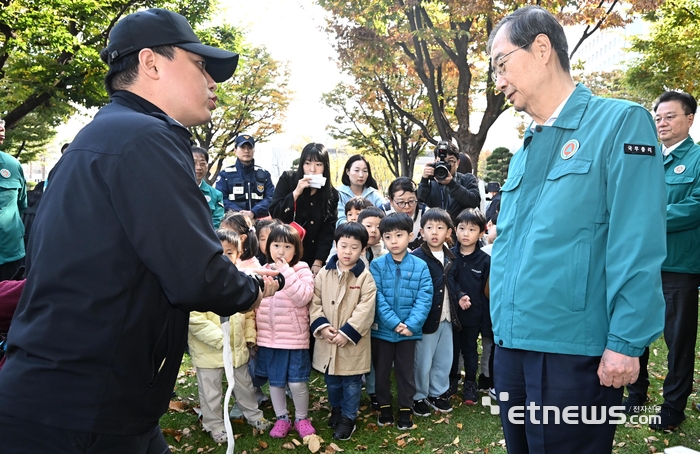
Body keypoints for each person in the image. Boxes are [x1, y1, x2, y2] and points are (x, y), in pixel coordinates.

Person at [0, 9, 280, 453]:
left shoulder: (102, 137)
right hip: (85, 408)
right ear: (151, 64)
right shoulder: (145, 139)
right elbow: (198, 275)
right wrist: (254, 286)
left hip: (77, 397)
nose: (213, 83)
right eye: (201, 65)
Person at [488, 6, 666, 453]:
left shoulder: (620, 123)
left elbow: (637, 241)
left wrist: (626, 341)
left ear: (542, 49)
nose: (498, 79)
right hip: (512, 343)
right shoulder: (527, 145)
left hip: (571, 349)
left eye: (501, 63)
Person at [624, 91, 700, 431]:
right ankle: (635, 393)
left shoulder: (697, 160)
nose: (662, 123)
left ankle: (673, 406)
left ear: (689, 119)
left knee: (677, 340)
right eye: (658, 117)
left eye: (670, 116)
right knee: (635, 330)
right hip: (642, 263)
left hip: (679, 265)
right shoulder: (646, 158)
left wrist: (646, 216)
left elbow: (694, 206)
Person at [188, 229, 271, 443]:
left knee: (245, 385)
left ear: (239, 253)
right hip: (210, 351)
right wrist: (220, 339)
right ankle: (214, 424)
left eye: (231, 253)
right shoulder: (198, 282)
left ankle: (253, 414)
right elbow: (194, 319)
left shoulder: (240, 281)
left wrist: (250, 336)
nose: (225, 258)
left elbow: (249, 311)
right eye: (220, 253)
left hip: (237, 349)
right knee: (211, 390)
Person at [310, 222, 377, 441]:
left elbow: (366, 308)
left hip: (351, 343)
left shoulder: (364, 277)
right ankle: (336, 409)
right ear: (335, 245)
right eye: (343, 245)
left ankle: (349, 417)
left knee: (351, 383)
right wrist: (322, 326)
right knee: (332, 382)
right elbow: (315, 301)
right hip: (328, 340)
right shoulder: (324, 274)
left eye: (354, 247)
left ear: (363, 250)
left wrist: (346, 333)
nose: (348, 251)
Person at [370, 212, 432, 430]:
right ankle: (384, 407)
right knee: (382, 371)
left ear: (411, 235)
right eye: (388, 237)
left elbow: (425, 297)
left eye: (399, 235)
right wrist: (394, 323)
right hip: (383, 331)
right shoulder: (376, 266)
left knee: (406, 372)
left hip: (408, 333)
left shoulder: (420, 266)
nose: (393, 241)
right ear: (382, 238)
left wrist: (411, 325)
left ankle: (406, 408)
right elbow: (376, 297)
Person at [254, 224, 316, 439]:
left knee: (297, 382)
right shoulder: (262, 270)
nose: (281, 251)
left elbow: (303, 297)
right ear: (268, 247)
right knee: (276, 382)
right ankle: (282, 418)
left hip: (294, 339)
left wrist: (286, 271)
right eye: (276, 245)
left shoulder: (301, 270)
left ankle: (301, 418)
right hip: (269, 339)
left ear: (296, 249)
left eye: (287, 246)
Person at [410, 208, 458, 416]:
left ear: (448, 231)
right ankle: (418, 395)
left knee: (444, 358)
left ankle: (437, 392)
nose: (435, 232)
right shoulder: (417, 257)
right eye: (430, 228)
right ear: (422, 231)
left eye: (440, 228)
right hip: (427, 318)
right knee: (423, 359)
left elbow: (454, 282)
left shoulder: (451, 256)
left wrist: (461, 296)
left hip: (448, 315)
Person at [269, 143, 339, 274]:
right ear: (302, 165)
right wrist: (295, 193)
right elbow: (275, 214)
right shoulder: (288, 179)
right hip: (285, 253)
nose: (312, 169)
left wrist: (318, 261)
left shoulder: (331, 194)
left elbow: (328, 231)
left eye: (318, 164)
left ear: (325, 167)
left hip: (313, 257)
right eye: (307, 163)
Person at [447, 208, 491, 406]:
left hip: (473, 315)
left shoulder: (485, 260)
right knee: (452, 350)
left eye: (472, 229)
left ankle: (470, 383)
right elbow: (447, 280)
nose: (466, 233)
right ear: (455, 230)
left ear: (481, 233)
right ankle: (451, 381)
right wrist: (459, 296)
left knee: (470, 349)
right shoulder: (449, 256)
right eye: (462, 228)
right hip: (450, 313)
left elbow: (486, 291)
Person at [418, 142, 480, 224]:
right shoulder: (431, 181)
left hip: (460, 230)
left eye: (450, 161)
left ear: (457, 163)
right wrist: (424, 180)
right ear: (435, 162)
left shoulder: (467, 179)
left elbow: (474, 201)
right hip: (436, 230)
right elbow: (419, 202)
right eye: (441, 161)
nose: (446, 165)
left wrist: (452, 184)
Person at [215, 134, 274, 220]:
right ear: (235, 150)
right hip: (234, 222)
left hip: (259, 221)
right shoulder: (225, 174)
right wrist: (239, 213)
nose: (246, 151)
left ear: (254, 150)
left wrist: (254, 212)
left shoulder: (264, 174)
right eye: (242, 147)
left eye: (250, 148)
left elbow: (271, 197)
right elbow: (220, 198)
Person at [0, 118, 27, 282]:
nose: (1, 128)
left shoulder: (12, 164)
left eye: (2, 124)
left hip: (11, 255)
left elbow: (21, 205)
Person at [336, 155, 386, 226]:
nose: (361, 175)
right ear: (347, 171)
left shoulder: (374, 195)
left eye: (365, 171)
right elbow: (339, 220)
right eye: (356, 170)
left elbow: (385, 216)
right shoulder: (338, 194)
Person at [380, 177, 427, 251]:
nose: (407, 207)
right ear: (391, 201)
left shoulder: (425, 213)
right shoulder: (382, 213)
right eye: (401, 202)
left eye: (411, 201)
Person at [193, 146, 225, 228]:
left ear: (207, 166)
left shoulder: (216, 195)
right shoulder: (176, 191)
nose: (198, 168)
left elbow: (217, 223)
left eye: (202, 164)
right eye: (194, 163)